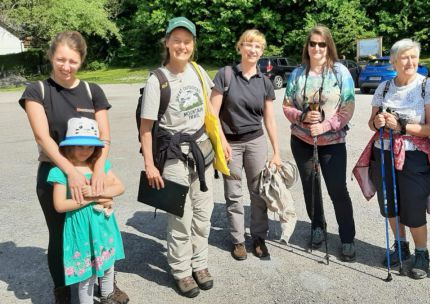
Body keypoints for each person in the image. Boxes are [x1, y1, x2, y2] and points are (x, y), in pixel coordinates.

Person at [18, 31, 128, 304]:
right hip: (55, 171)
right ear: (51, 56)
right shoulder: (37, 91)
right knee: (61, 234)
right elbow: (43, 137)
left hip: (93, 170)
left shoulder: (93, 91)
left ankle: (107, 283)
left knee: (99, 226)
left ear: (81, 61)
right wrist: (70, 172)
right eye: (61, 59)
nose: (66, 66)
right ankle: (63, 289)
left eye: (73, 61)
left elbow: (104, 138)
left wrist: (100, 171)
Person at [139, 16, 215, 298]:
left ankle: (200, 264)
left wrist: (222, 142)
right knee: (180, 217)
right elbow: (145, 129)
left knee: (203, 215)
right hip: (173, 155)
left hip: (201, 150)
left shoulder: (198, 71)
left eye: (187, 41)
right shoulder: (156, 80)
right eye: (177, 40)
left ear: (193, 44)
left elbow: (210, 110)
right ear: (167, 42)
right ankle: (182, 270)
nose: (182, 46)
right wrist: (149, 165)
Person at [357, 38, 430, 279]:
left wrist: (402, 126)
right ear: (394, 62)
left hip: (414, 156)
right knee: (390, 205)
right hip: (383, 152)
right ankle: (401, 246)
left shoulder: (426, 86)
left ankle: (422, 253)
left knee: (414, 207)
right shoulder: (383, 88)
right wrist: (378, 122)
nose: (410, 61)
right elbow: (371, 122)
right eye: (404, 57)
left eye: (414, 57)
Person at [282, 25, 356, 262]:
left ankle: (347, 237)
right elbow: (286, 106)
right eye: (312, 43)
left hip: (332, 142)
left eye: (321, 44)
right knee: (311, 187)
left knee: (337, 190)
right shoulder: (297, 74)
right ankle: (317, 226)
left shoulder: (340, 72)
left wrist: (325, 125)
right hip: (302, 140)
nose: (316, 48)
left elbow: (348, 106)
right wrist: (301, 116)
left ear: (328, 46)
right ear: (307, 46)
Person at [210, 29, 281, 260]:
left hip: (256, 142)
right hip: (230, 142)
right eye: (249, 44)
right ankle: (238, 240)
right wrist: (221, 141)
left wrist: (276, 152)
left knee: (258, 192)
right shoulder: (226, 75)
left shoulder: (265, 82)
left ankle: (259, 237)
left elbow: (269, 119)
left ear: (262, 52)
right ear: (240, 47)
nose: (253, 49)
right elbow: (213, 113)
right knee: (233, 193)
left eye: (258, 47)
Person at [47, 117, 125, 304]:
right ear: (69, 146)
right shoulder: (61, 172)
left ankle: (107, 295)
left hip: (102, 225)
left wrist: (99, 194)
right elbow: (60, 205)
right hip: (80, 229)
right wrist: (94, 199)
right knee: (86, 274)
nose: (86, 151)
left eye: (90, 147)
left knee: (108, 264)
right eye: (80, 146)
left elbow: (120, 187)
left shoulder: (99, 166)